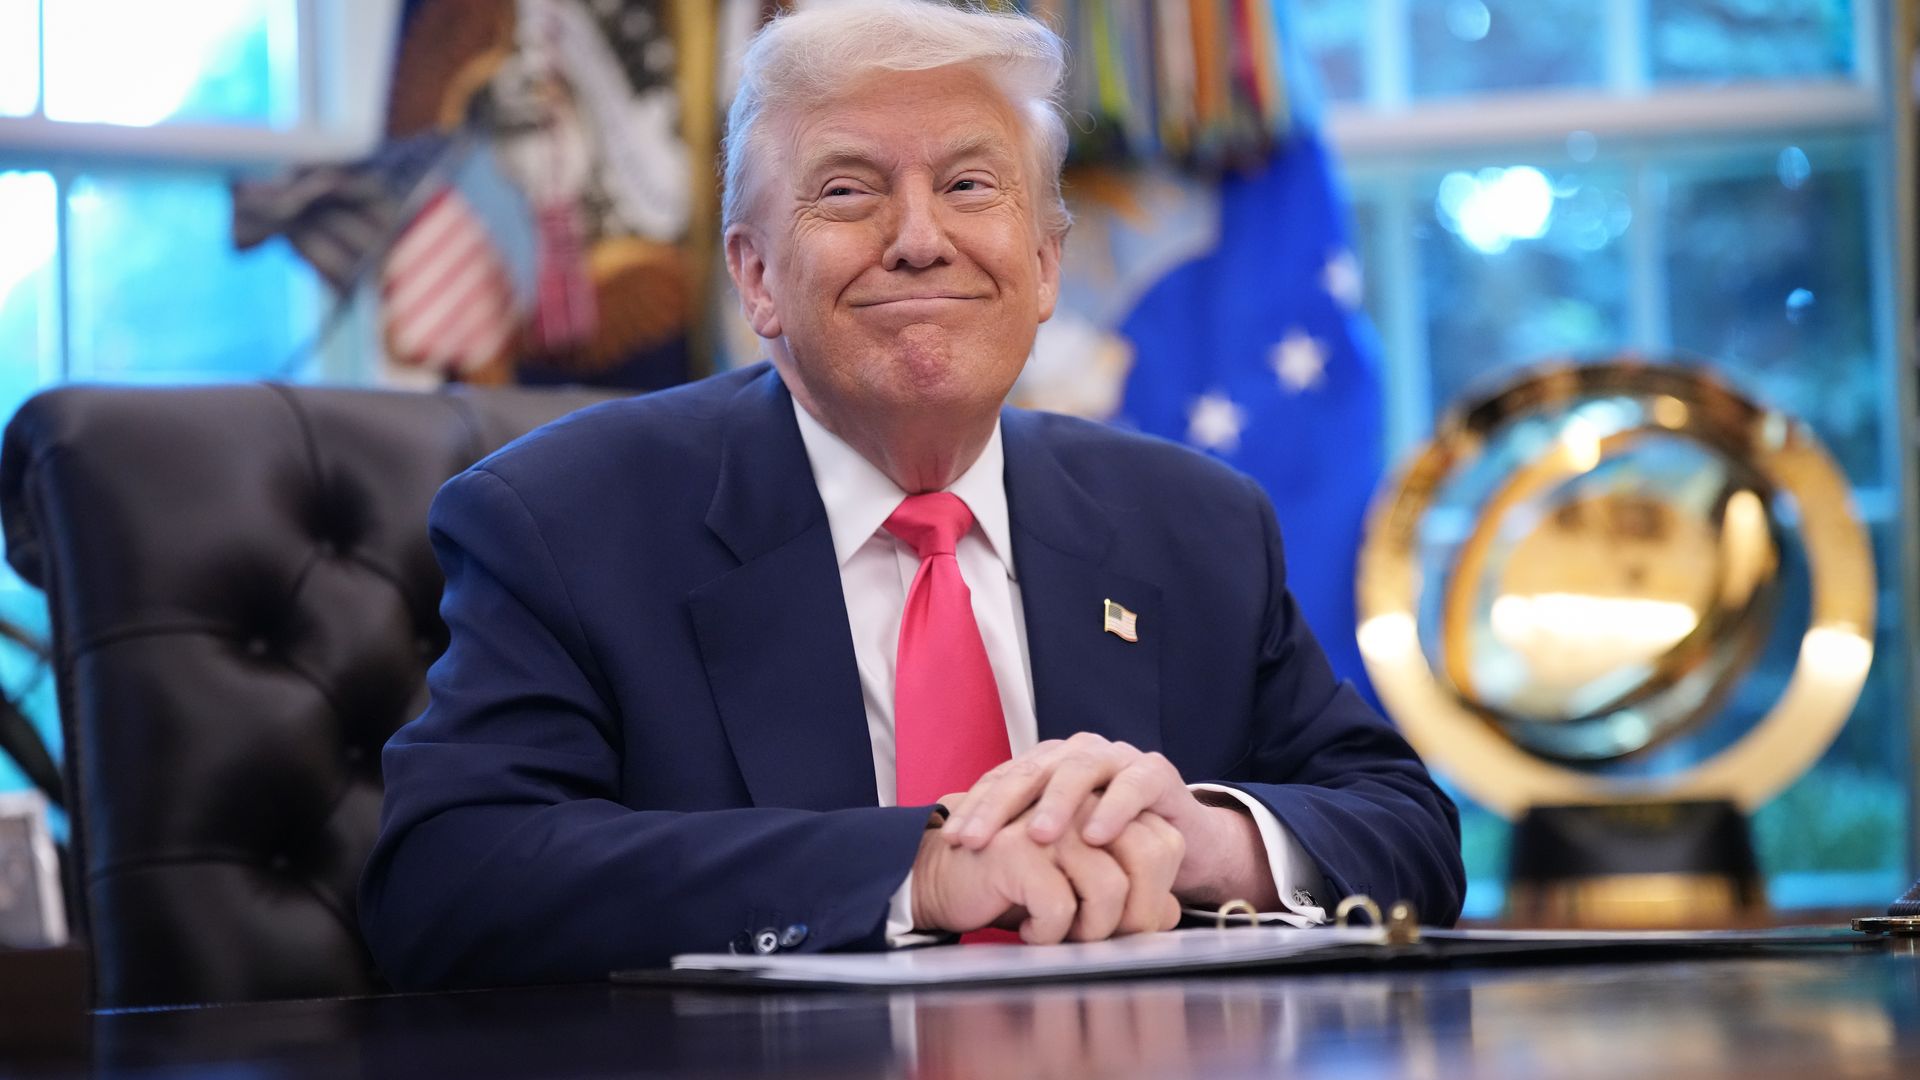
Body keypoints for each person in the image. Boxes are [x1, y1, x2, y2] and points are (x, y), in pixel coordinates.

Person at [360, 0, 1463, 989]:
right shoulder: (563, 519)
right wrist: (920, 869)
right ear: (755, 277)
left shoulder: (1197, 523)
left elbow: (1408, 829)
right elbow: (450, 879)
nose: (921, 240)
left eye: (970, 186)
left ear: (1042, 267)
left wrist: (1207, 837)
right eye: (849, 191)